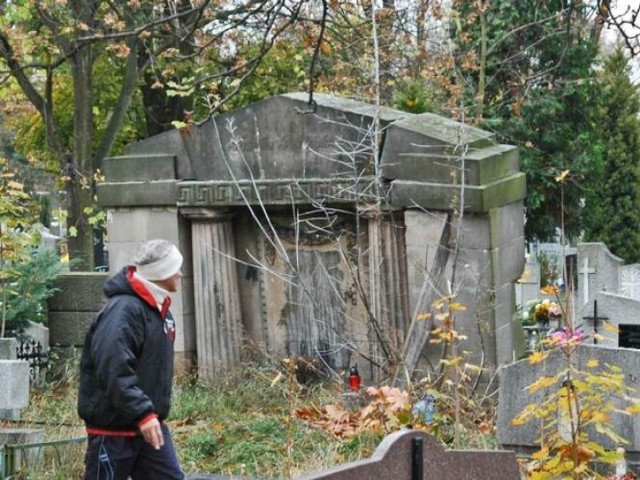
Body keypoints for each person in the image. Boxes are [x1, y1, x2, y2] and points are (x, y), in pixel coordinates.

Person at [78, 239, 185, 480]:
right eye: (175, 267)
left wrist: (148, 416)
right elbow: (114, 369)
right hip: (114, 431)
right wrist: (143, 414)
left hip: (149, 426)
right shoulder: (124, 311)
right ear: (162, 272)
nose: (180, 273)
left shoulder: (159, 311)